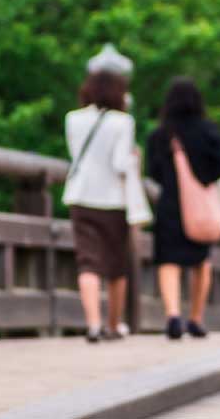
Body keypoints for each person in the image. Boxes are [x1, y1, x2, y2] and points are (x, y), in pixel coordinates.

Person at [62, 48, 138, 344]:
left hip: (81, 195)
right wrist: (134, 158)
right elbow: (120, 164)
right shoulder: (123, 122)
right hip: (113, 200)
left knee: (88, 261)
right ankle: (113, 324)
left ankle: (92, 324)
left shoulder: (72, 119)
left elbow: (74, 155)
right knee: (117, 264)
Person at [146, 77, 220, 340]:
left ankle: (172, 315)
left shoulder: (160, 135)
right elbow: (218, 171)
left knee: (169, 260)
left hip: (170, 205)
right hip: (199, 209)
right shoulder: (209, 131)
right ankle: (196, 317)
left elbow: (153, 173)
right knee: (200, 260)